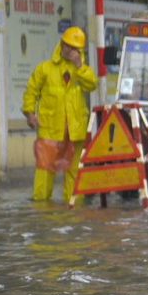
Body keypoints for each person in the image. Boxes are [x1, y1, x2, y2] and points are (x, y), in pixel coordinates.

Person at [23, 26, 97, 203]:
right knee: (44, 174)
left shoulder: (81, 71)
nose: (70, 51)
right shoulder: (45, 69)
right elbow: (31, 92)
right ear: (61, 44)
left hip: (75, 131)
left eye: (74, 48)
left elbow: (92, 85)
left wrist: (79, 65)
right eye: (67, 46)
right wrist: (29, 114)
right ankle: (41, 213)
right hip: (49, 130)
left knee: (74, 176)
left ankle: (73, 213)